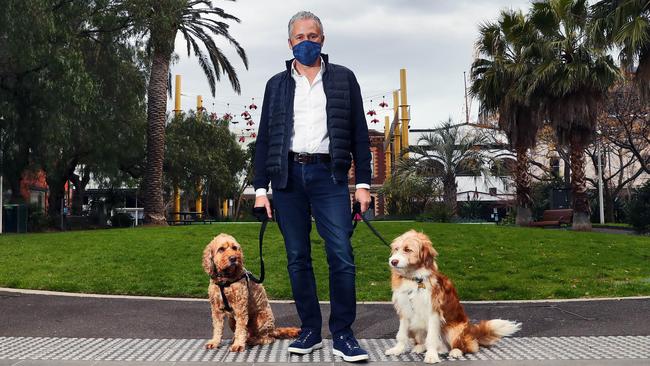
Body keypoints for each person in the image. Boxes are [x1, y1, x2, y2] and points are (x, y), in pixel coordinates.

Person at [253, 11, 371, 363]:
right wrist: (261, 190)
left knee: (341, 256)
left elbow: (360, 136)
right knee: (297, 257)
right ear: (290, 43)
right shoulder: (276, 84)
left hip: (329, 177)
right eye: (300, 37)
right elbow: (264, 140)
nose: (307, 41)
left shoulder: (344, 80)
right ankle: (309, 330)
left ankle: (344, 334)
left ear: (323, 39)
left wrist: (362, 184)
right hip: (287, 177)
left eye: (313, 36)